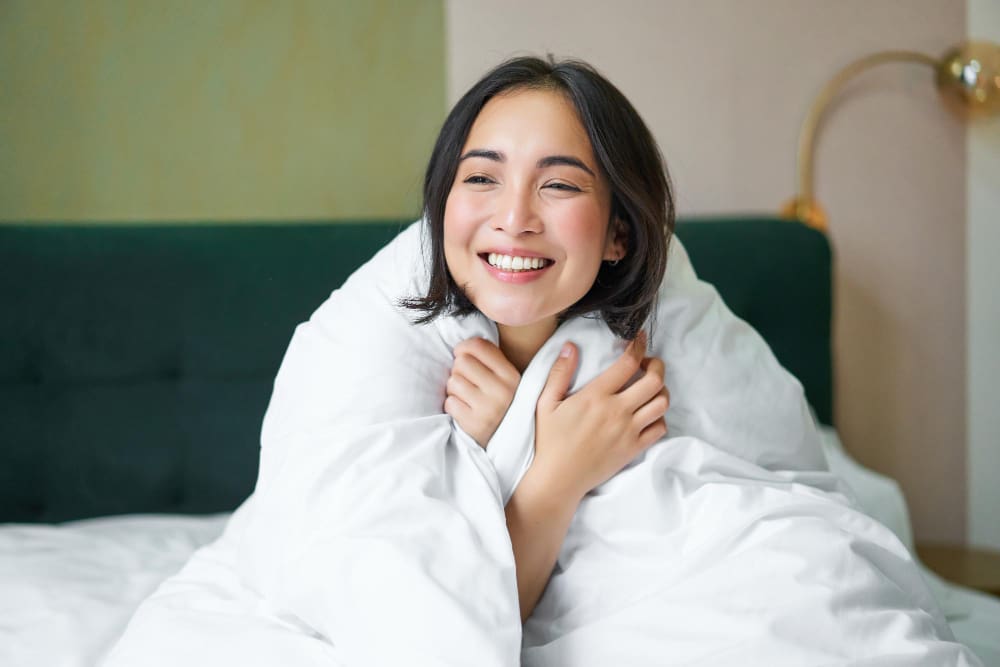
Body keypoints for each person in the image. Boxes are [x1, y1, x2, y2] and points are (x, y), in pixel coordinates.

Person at [402, 55, 675, 622]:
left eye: (558, 184)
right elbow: (445, 628)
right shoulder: (394, 357)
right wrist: (542, 466)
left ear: (617, 234)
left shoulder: (632, 371)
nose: (515, 217)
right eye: (481, 177)